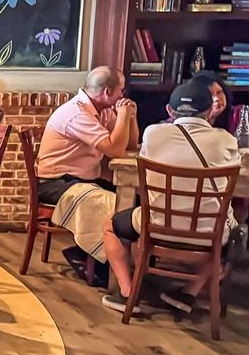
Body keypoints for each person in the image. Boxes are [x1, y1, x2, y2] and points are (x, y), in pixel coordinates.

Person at [101, 80, 239, 313]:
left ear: (169, 110)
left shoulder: (153, 134)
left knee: (109, 226)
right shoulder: (226, 140)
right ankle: (189, 292)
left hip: (155, 226)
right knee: (233, 236)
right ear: (209, 110)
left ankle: (127, 293)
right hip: (209, 236)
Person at [36, 66, 139, 269]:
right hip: (55, 183)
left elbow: (130, 145)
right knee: (110, 203)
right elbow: (115, 151)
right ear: (108, 92)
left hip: (81, 180)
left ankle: (104, 259)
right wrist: (124, 116)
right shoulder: (76, 113)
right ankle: (97, 263)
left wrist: (130, 117)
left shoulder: (104, 112)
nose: (123, 94)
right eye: (121, 90)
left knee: (131, 200)